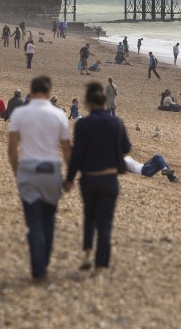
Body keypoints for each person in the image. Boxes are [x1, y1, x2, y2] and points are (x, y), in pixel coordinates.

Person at [7, 76, 72, 281]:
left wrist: (17, 169)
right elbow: (67, 150)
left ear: (31, 92)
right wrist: (70, 177)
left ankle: (39, 269)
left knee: (34, 221)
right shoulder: (59, 115)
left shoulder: (20, 113)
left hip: (28, 168)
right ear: (49, 93)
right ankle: (43, 262)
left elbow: (11, 148)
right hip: (50, 169)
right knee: (48, 219)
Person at [65, 82, 131, 272]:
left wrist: (69, 179)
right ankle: (101, 264)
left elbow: (77, 155)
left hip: (89, 178)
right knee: (106, 221)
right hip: (109, 178)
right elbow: (126, 148)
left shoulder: (83, 124)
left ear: (89, 104)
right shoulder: (116, 123)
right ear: (105, 104)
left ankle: (87, 253)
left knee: (89, 216)